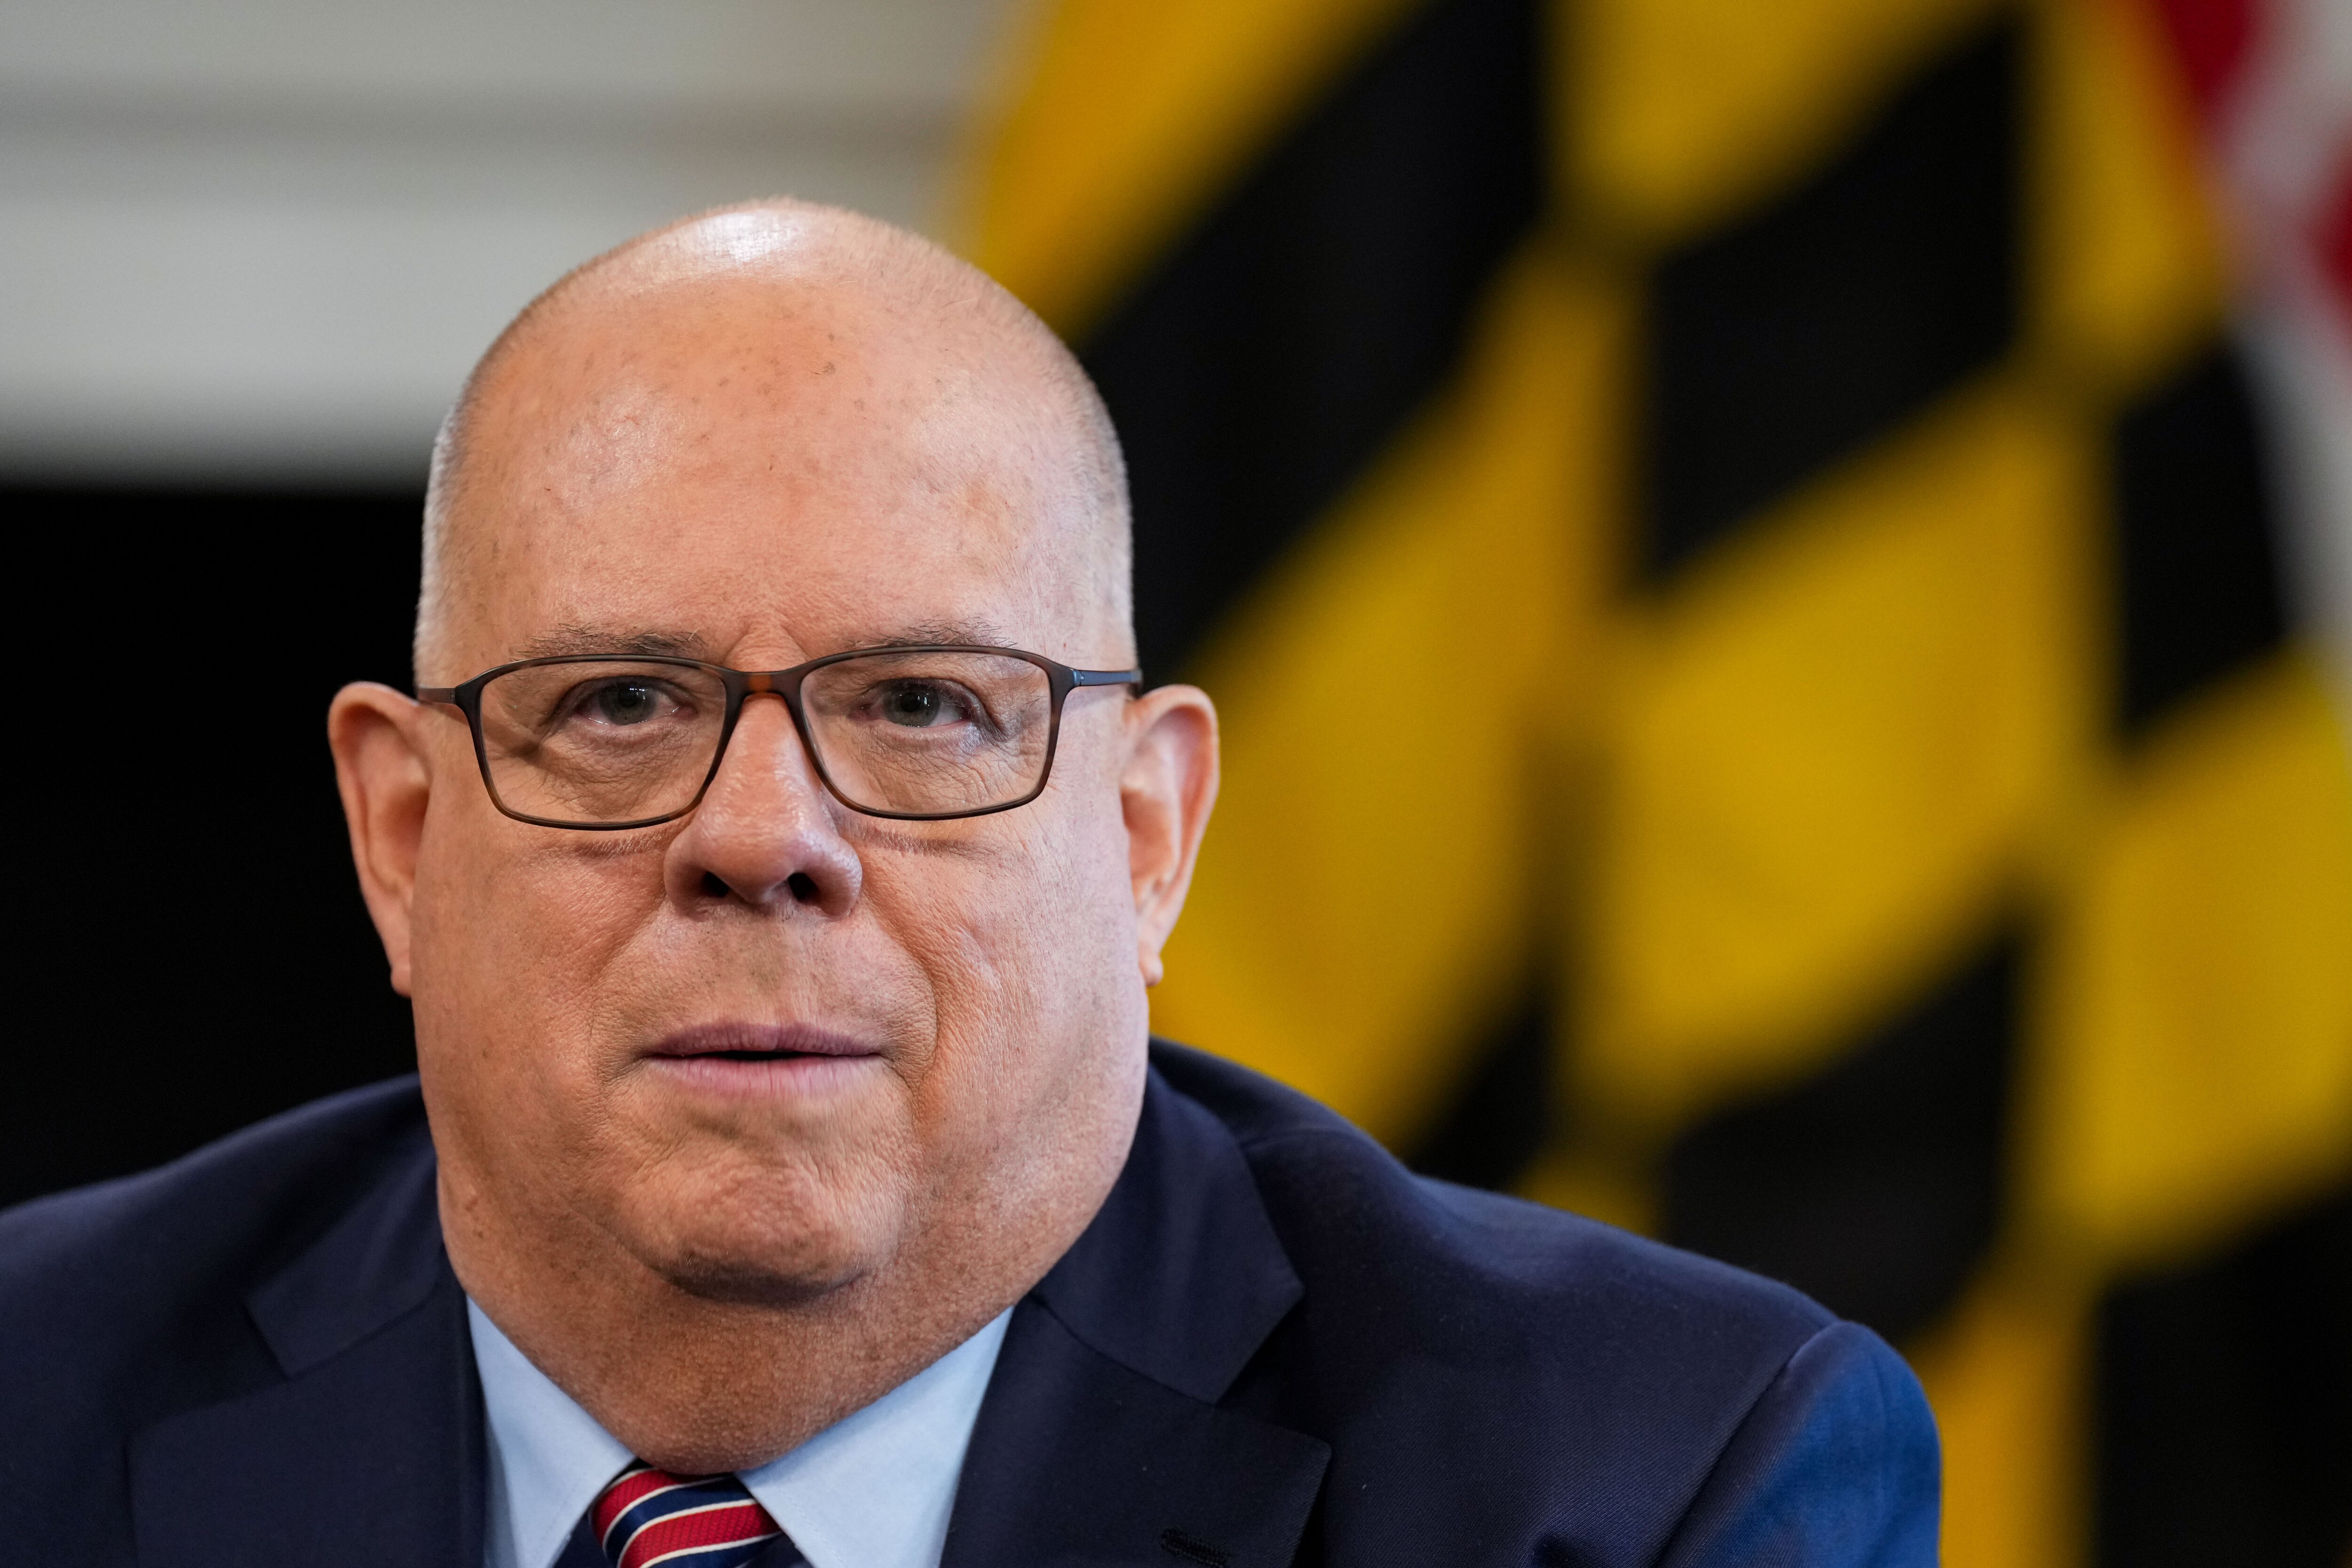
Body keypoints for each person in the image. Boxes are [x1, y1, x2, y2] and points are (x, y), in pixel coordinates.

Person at [0, 200, 1939, 1568]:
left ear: (1144, 835)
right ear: (404, 838)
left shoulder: (1649, 1484)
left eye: (923, 704)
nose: (761, 836)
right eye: (616, 704)